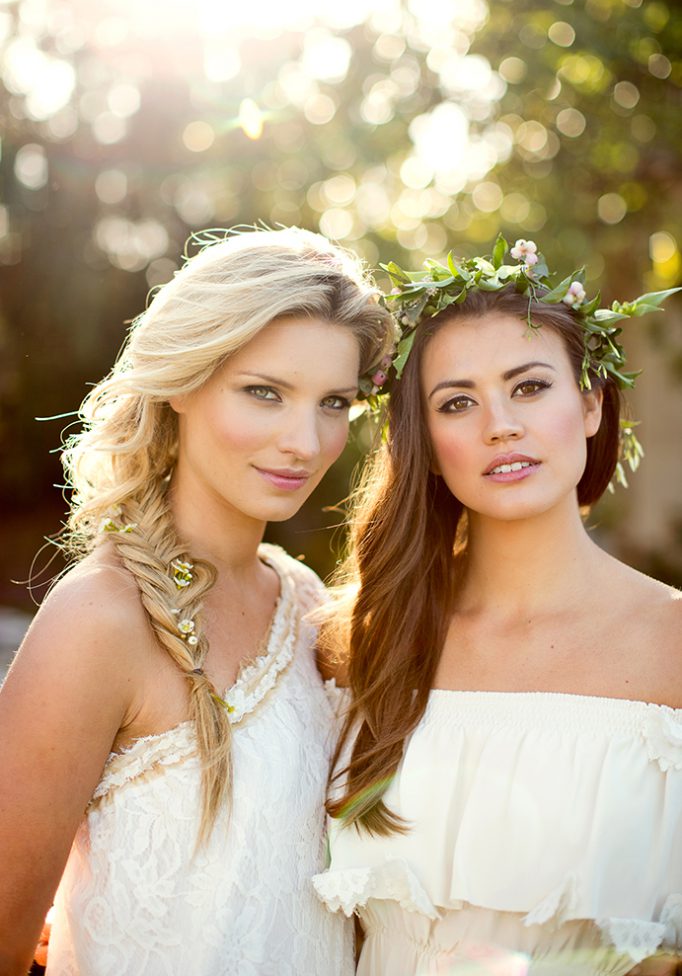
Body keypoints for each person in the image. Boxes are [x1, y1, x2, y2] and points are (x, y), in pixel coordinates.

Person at [0, 225, 395, 976]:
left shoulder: (305, 601)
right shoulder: (100, 621)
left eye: (334, 402)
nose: (305, 442)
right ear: (182, 380)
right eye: (264, 393)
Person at [313, 236, 682, 976]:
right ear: (427, 440)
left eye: (530, 387)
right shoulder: (362, 639)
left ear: (589, 405)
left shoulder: (671, 642)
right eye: (458, 402)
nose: (499, 425)